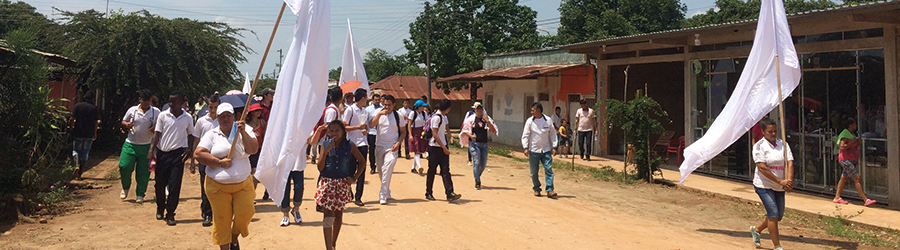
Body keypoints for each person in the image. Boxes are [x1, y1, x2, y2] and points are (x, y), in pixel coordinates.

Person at [193, 103, 258, 250]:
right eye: (222, 116)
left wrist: (242, 133)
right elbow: (198, 153)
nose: (225, 119)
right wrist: (219, 162)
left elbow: (253, 149)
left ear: (234, 116)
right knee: (222, 220)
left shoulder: (246, 129)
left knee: (246, 213)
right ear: (218, 118)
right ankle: (225, 247)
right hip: (217, 186)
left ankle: (234, 236)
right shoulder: (212, 134)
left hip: (243, 184)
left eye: (228, 115)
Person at [311, 120, 365, 250]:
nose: (334, 133)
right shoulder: (324, 145)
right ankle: (328, 247)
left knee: (339, 215)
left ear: (343, 132)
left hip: (342, 184)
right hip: (328, 182)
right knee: (328, 215)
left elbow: (362, 162)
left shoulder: (350, 145)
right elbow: (320, 167)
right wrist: (325, 152)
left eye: (337, 130)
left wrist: (354, 178)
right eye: (331, 131)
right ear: (328, 132)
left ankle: (334, 243)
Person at [149, 91, 195, 225]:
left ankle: (170, 213)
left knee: (175, 185)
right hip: (163, 153)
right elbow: (156, 134)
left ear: (182, 103)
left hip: (177, 155)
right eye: (170, 101)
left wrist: (190, 150)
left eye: (174, 102)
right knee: (160, 184)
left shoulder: (188, 118)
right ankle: (160, 207)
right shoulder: (163, 116)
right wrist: (151, 150)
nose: (171, 104)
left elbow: (191, 135)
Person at [749, 119, 794, 250]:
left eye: (775, 131)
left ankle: (757, 229)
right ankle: (777, 246)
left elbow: (790, 162)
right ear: (763, 132)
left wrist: (789, 181)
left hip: (780, 185)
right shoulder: (758, 146)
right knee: (773, 212)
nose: (773, 134)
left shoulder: (783, 144)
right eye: (769, 132)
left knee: (778, 215)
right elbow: (762, 167)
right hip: (764, 185)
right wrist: (779, 181)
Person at [119, 89, 160, 204]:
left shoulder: (155, 112)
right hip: (130, 144)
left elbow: (162, 123)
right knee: (124, 166)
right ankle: (125, 186)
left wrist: (155, 127)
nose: (147, 103)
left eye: (149, 101)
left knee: (144, 171)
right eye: (144, 100)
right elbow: (123, 121)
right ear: (140, 100)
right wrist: (127, 124)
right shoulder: (132, 110)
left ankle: (140, 194)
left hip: (147, 145)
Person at [368, 94, 407, 205]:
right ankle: (387, 190)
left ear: (394, 105)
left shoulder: (398, 115)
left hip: (391, 146)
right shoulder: (378, 113)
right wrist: (379, 114)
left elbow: (403, 131)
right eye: (385, 105)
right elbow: (371, 125)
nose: (387, 107)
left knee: (388, 165)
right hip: (379, 145)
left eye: (389, 105)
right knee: (381, 171)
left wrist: (398, 143)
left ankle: (382, 194)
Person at [190, 93, 220, 227]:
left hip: (219, 157)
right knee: (205, 185)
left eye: (215, 107)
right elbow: (196, 139)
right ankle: (207, 213)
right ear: (207, 107)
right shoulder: (201, 121)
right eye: (211, 107)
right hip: (204, 157)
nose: (213, 110)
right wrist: (193, 158)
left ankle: (216, 210)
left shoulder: (222, 121)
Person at [832, 117, 876, 206]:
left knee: (844, 178)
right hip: (846, 160)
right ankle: (865, 199)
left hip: (850, 160)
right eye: (854, 124)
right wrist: (852, 142)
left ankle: (837, 197)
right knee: (857, 178)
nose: (856, 126)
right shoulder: (845, 135)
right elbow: (842, 147)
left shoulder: (850, 134)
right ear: (850, 125)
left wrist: (856, 142)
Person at [425, 99, 463, 202]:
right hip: (435, 147)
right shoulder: (436, 118)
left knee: (445, 170)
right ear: (447, 108)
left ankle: (449, 192)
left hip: (442, 146)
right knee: (432, 170)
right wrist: (444, 148)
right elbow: (435, 134)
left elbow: (447, 128)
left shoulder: (444, 117)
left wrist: (450, 137)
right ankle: (429, 192)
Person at [522, 102, 558, 198]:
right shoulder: (530, 121)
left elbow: (553, 135)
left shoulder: (548, 120)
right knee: (534, 171)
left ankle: (550, 189)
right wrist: (525, 148)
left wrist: (554, 147)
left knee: (548, 169)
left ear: (538, 111)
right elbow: (525, 135)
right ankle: (536, 188)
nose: (531, 112)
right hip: (533, 150)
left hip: (546, 150)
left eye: (533, 110)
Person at [460, 102, 497, 190]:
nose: (479, 110)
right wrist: (471, 136)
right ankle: (477, 181)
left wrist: (487, 121)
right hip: (474, 143)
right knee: (476, 161)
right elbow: (465, 130)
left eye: (480, 109)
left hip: (484, 144)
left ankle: (477, 175)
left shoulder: (486, 119)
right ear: (474, 110)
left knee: (483, 163)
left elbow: (493, 130)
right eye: (477, 109)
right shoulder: (470, 120)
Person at [343, 89, 370, 207]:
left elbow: (366, 127)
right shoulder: (350, 110)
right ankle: (348, 191)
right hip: (351, 143)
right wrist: (357, 127)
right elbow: (344, 127)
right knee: (350, 169)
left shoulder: (365, 111)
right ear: (362, 98)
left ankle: (359, 196)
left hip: (363, 143)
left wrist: (364, 131)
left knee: (362, 169)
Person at [71, 90, 101, 179]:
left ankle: (76, 165)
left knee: (76, 150)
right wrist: (95, 133)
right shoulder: (94, 108)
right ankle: (80, 173)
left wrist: (71, 127)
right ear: (93, 99)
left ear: (84, 97)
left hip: (78, 132)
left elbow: (72, 118)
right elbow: (96, 122)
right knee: (85, 152)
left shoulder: (78, 106)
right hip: (89, 134)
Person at [407, 100, 429, 175]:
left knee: (419, 149)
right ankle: (419, 167)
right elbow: (409, 124)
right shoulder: (413, 113)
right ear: (418, 107)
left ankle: (413, 168)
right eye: (422, 106)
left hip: (421, 132)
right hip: (414, 131)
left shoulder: (424, 113)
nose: (423, 107)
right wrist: (410, 135)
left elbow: (426, 122)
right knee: (417, 150)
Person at [365, 93, 383, 174]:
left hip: (380, 133)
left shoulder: (383, 109)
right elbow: (366, 121)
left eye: (378, 100)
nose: (377, 101)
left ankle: (380, 166)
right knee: (372, 151)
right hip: (371, 133)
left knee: (379, 150)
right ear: (372, 100)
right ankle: (372, 166)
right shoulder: (368, 110)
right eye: (375, 100)